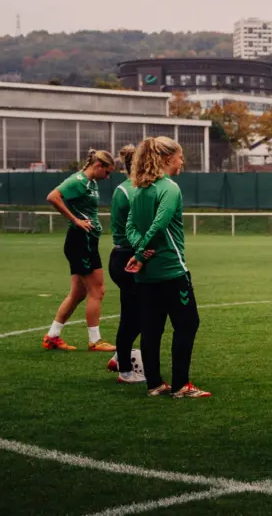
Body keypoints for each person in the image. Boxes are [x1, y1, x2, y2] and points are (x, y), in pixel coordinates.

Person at [125, 136, 210, 398]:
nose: (182, 162)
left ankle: (154, 384)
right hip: (171, 270)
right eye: (180, 157)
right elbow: (160, 224)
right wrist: (141, 252)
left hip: (146, 276)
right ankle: (181, 385)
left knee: (151, 329)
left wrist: (140, 251)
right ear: (168, 158)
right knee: (188, 323)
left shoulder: (138, 190)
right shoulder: (169, 188)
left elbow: (130, 226)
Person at [43, 149, 117, 353]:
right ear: (98, 165)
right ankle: (95, 341)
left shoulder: (91, 183)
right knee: (97, 291)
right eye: (107, 172)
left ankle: (52, 336)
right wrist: (75, 220)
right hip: (80, 241)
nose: (107, 177)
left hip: (87, 241)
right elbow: (53, 196)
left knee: (78, 293)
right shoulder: (78, 181)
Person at [107, 145, 145, 384]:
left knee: (138, 315)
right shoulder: (130, 190)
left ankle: (119, 357)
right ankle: (125, 370)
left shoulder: (129, 188)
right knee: (137, 316)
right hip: (127, 258)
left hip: (127, 256)